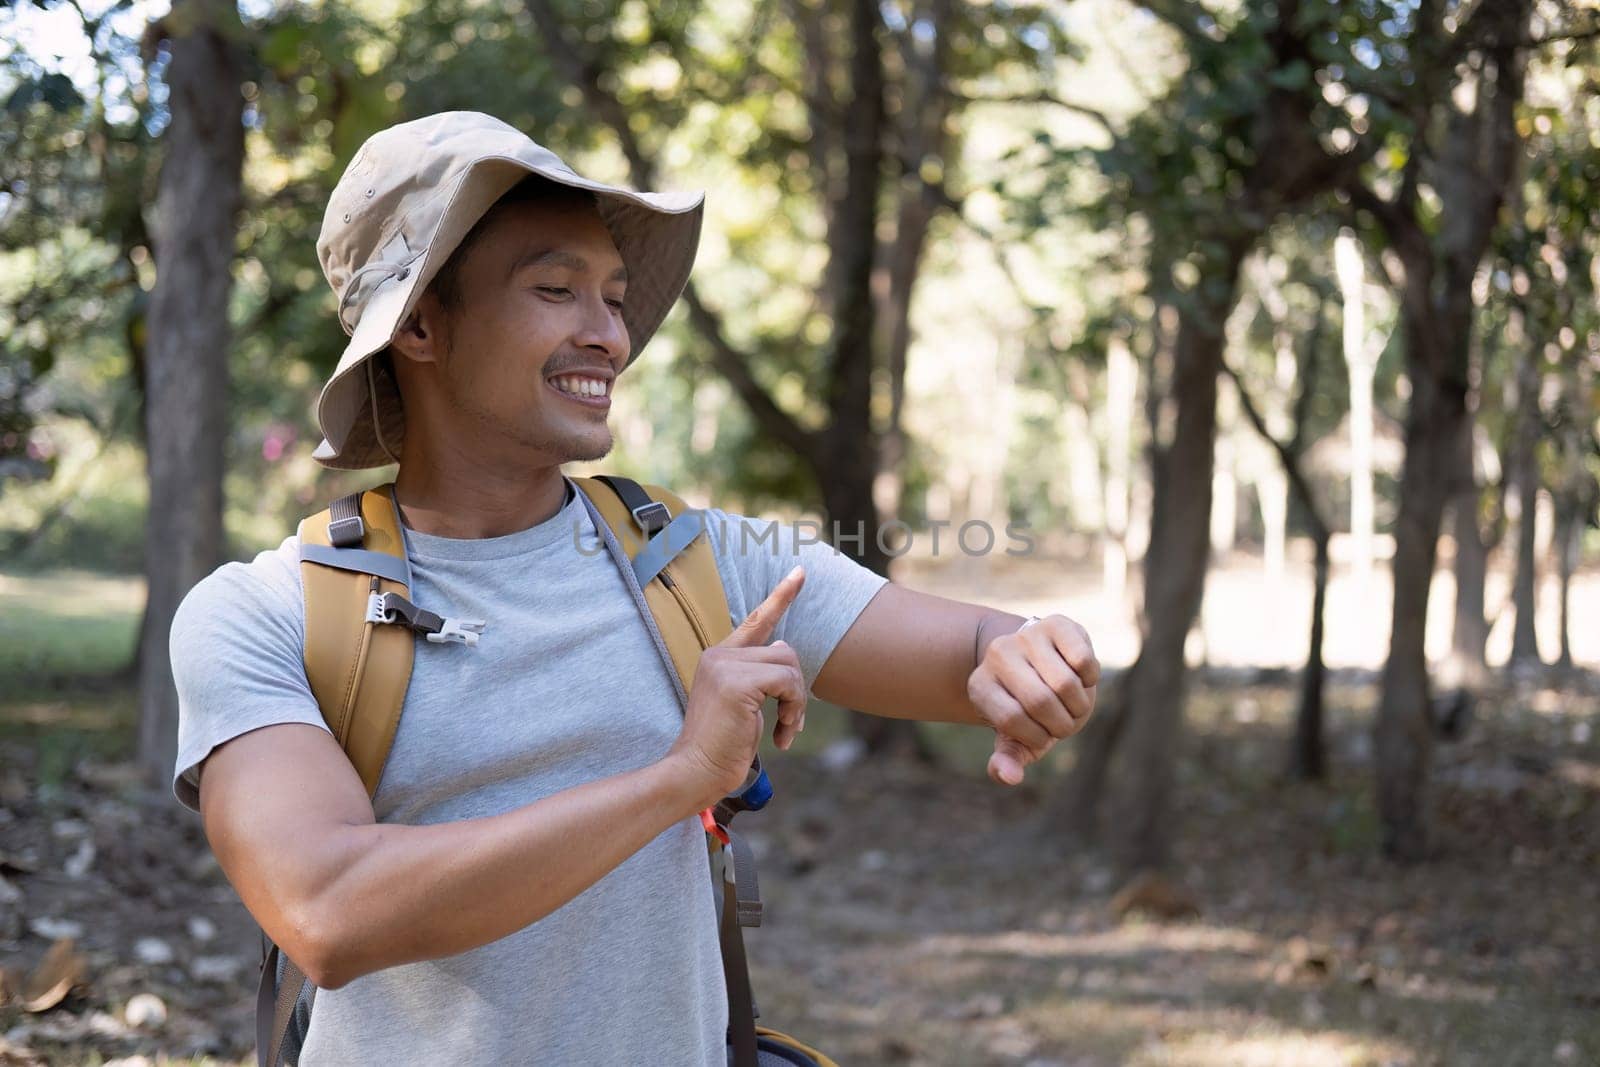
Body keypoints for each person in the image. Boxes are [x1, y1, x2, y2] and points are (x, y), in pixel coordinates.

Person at [170, 111, 1100, 1065]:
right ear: (417, 324)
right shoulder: (265, 614)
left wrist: (1025, 651)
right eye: (555, 290)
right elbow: (327, 911)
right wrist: (678, 779)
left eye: (613, 297)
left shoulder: (698, 561)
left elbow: (968, 648)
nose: (607, 334)